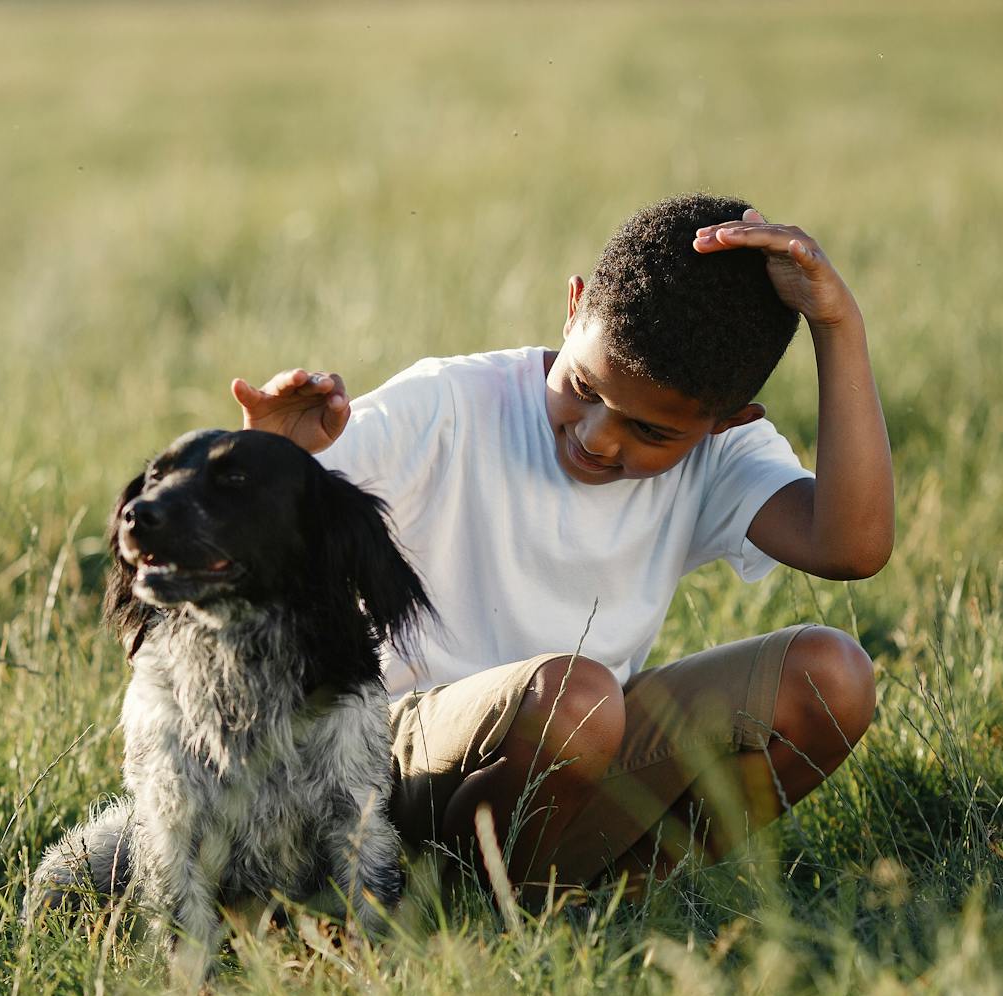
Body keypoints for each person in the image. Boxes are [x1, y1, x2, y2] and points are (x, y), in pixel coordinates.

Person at [230, 193, 892, 894]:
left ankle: (604, 892)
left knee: (833, 678)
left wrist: (837, 324)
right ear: (573, 308)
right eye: (584, 387)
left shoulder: (720, 460)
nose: (597, 436)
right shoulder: (449, 405)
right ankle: (453, 894)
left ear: (726, 424)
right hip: (380, 758)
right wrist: (266, 459)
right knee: (577, 696)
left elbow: (851, 547)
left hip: (567, 761)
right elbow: (235, 558)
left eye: (652, 433)